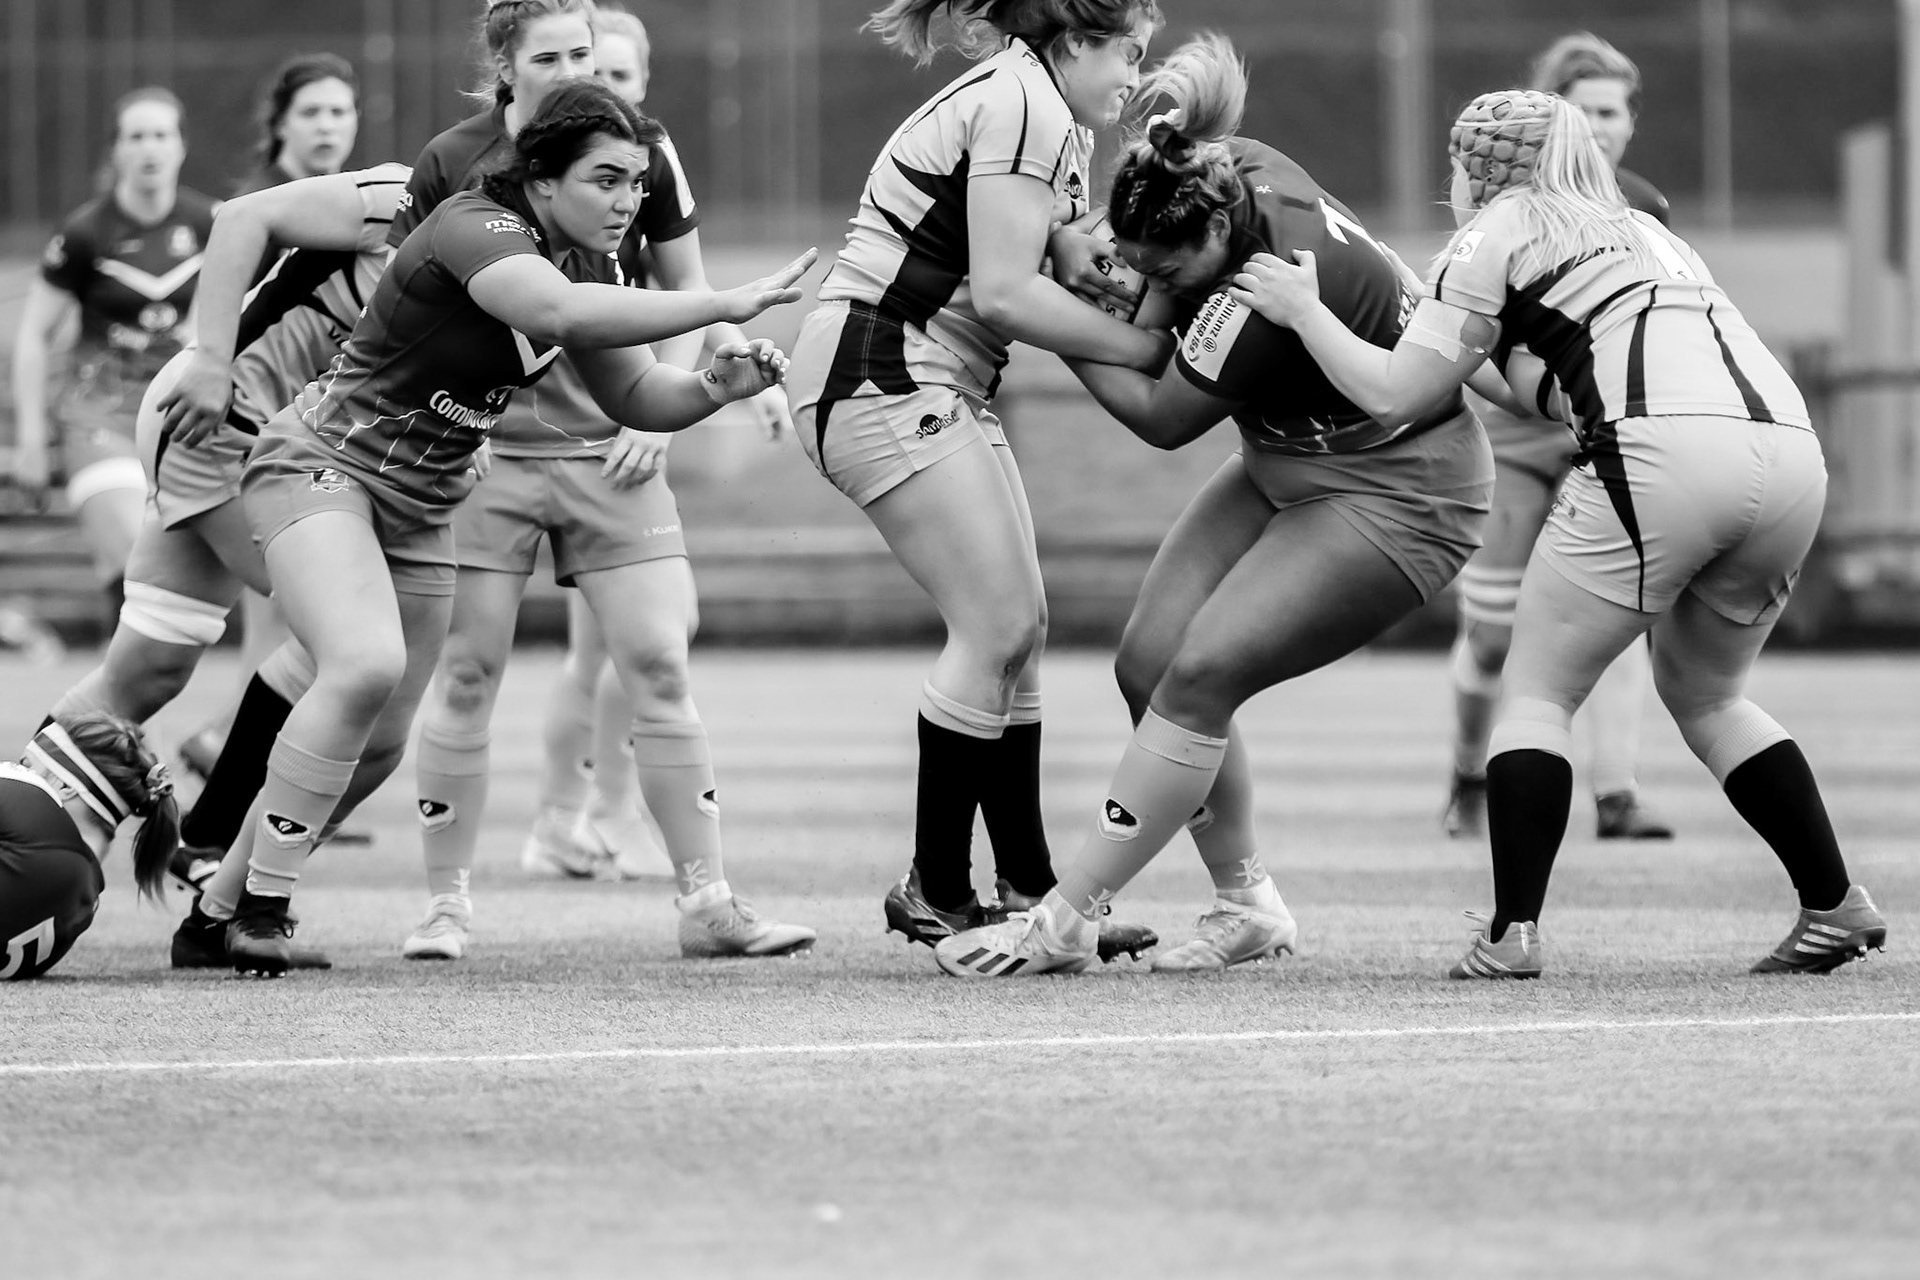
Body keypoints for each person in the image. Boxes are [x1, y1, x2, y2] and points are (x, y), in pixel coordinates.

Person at [1229, 88, 1888, 978]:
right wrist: (1455, 339)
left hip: (1661, 452)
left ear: (1476, 167)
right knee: (1710, 697)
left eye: (1455, 165)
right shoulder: (1652, 234)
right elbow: (1551, 388)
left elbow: (1392, 393)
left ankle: (1511, 935)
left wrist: (1306, 312)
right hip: (1789, 455)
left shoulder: (1494, 228)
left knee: (1536, 694)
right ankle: (1835, 903)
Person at [184, 77, 809, 976]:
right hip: (321, 462)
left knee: (384, 742)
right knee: (363, 665)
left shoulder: (590, 265)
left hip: (426, 500)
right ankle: (266, 909)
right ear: (544, 180)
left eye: (637, 182)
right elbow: (554, 314)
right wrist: (719, 304)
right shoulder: (480, 224)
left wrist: (718, 387)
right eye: (606, 179)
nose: (629, 200)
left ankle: (214, 909)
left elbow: (634, 393)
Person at [931, 34, 1496, 977]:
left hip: (1403, 492)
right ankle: (1248, 907)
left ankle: (1065, 919)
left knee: (1197, 682)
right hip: (1292, 458)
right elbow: (1151, 306)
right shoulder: (1213, 169)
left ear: (1220, 241)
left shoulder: (1257, 295)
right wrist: (1116, 291)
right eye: (1139, 263)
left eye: (1170, 272)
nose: (1154, 285)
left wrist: (1040, 318)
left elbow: (1159, 414)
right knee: (1149, 666)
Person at [393, 0, 814, 963]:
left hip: (613, 445)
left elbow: (671, 299)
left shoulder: (642, 156)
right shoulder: (451, 168)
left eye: (588, 52)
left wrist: (712, 383)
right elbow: (405, 305)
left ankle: (708, 904)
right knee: (466, 673)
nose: (579, 68)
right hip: (481, 455)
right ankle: (446, 905)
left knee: (659, 662)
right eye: (555, 54)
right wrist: (446, 420)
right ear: (505, 66)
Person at [785, 0, 1168, 959]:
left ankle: (1030, 889)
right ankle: (938, 890)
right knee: (996, 624)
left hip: (927, 369)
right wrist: (1146, 343)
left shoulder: (1039, 104)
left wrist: (1086, 255)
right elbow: (1002, 292)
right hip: (881, 365)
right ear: (1075, 40)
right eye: (1128, 51)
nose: (1133, 74)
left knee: (1022, 634)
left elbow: (1028, 257)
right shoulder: (1027, 101)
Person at [524, 1, 794, 886]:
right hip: (571, 408)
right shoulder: (537, 169)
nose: (600, 83)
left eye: (620, 73)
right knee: (602, 645)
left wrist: (734, 382)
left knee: (633, 639)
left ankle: (584, 816)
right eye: (584, 66)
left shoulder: (649, 160)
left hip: (630, 397)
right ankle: (577, 815)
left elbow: (690, 293)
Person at [1443, 31, 1674, 843]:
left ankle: (1617, 796)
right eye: (1583, 110)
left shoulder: (1647, 211)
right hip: (1516, 435)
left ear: (1632, 123)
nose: (1600, 126)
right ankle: (1468, 772)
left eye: (1613, 111)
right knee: (1495, 632)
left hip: (1607, 433)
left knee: (1615, 617)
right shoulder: (1503, 212)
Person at [176, 52, 365, 790]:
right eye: (311, 112)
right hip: (231, 428)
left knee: (277, 619)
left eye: (339, 112)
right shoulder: (269, 208)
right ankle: (249, 767)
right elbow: (219, 327)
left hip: (281, 431)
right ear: (280, 124)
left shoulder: (344, 205)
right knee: (313, 613)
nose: (326, 126)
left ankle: (241, 759)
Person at [10, 88, 217, 625]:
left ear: (181, 146)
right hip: (99, 416)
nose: (150, 148)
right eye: (136, 136)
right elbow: (33, 335)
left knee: (135, 585)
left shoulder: (211, 224)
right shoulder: (84, 233)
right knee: (137, 562)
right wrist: (32, 439)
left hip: (180, 416)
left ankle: (111, 700)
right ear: (117, 151)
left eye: (161, 135)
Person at [1, 713, 179, 981]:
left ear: (64, 786)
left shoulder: (31, 810)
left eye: (26, 765)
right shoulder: (82, 908)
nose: (19, 770)